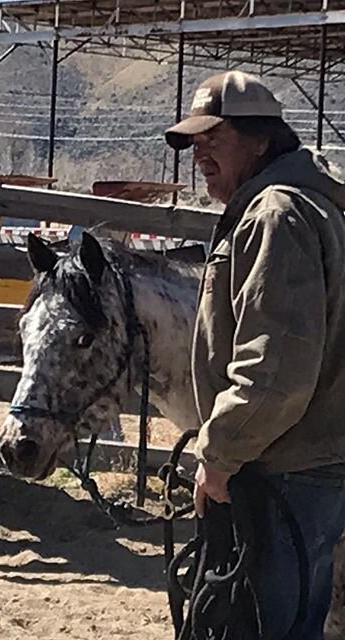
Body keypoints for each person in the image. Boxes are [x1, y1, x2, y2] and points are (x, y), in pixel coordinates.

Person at [165, 70, 345, 638]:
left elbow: (274, 370)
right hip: (307, 462)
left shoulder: (275, 215)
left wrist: (219, 456)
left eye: (213, 139)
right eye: (194, 143)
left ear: (262, 140)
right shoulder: (303, 206)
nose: (199, 154)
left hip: (282, 466)